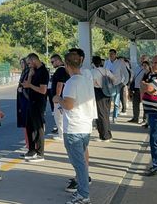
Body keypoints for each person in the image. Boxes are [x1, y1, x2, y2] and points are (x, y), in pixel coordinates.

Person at [53, 52, 96, 204]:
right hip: (85, 126)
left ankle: (83, 195)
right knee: (81, 162)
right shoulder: (86, 80)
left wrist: (58, 99)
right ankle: (82, 192)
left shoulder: (72, 82)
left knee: (79, 164)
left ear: (66, 64)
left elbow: (69, 105)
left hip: (73, 128)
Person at [21, 53, 49, 162]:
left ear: (34, 60)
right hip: (30, 101)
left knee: (38, 128)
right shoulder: (34, 71)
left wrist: (30, 86)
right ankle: (31, 150)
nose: (28, 66)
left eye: (29, 63)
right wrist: (30, 76)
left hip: (38, 102)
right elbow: (27, 83)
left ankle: (40, 153)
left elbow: (43, 90)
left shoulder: (43, 72)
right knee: (29, 126)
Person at [91, 56, 118, 141]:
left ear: (93, 63)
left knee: (100, 115)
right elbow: (114, 79)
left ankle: (104, 136)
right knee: (106, 114)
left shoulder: (92, 72)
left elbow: (92, 83)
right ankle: (108, 134)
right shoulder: (105, 70)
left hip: (98, 92)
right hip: (107, 93)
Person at [104, 49, 129, 122]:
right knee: (107, 101)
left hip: (117, 84)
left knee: (116, 102)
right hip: (107, 84)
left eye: (112, 54)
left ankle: (114, 117)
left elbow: (126, 74)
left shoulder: (120, 63)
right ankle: (107, 116)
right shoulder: (106, 62)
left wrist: (123, 83)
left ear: (115, 54)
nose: (111, 55)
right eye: (109, 54)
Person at [49, 54, 70, 141]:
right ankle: (63, 134)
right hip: (63, 97)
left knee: (59, 117)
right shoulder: (64, 69)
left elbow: (59, 84)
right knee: (62, 117)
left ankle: (61, 135)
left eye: (52, 62)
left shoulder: (60, 70)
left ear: (58, 60)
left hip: (59, 99)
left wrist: (57, 97)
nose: (52, 64)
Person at [128, 55, 149, 123]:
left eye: (144, 58)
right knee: (135, 104)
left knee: (144, 105)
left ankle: (145, 119)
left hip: (143, 89)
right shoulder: (137, 67)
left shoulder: (148, 69)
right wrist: (131, 87)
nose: (142, 60)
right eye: (141, 59)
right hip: (136, 88)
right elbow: (133, 77)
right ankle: (135, 118)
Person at [16, 57, 31, 148]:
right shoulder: (24, 72)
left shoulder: (28, 72)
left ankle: (30, 145)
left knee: (27, 123)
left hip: (26, 100)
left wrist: (23, 89)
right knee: (25, 124)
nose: (21, 65)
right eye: (20, 63)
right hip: (22, 99)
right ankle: (28, 144)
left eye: (23, 63)